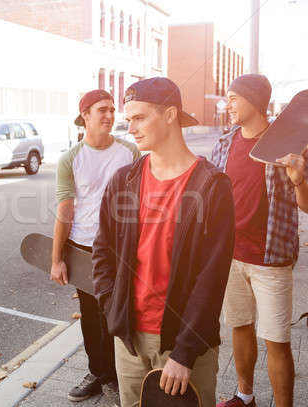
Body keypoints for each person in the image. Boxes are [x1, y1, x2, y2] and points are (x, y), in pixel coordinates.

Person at [92, 77, 236, 407]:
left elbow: (211, 279)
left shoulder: (212, 186)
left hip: (183, 343)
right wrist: (112, 307)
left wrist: (185, 352)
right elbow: (103, 250)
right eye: (129, 120)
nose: (131, 129)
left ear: (170, 115)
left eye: (140, 118)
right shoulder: (125, 179)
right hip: (128, 338)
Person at [212, 74, 308, 407]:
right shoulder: (225, 142)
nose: (226, 105)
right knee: (240, 327)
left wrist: (299, 182)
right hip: (230, 255)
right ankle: (245, 396)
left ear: (254, 101)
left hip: (271, 258)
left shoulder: (288, 143)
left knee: (277, 341)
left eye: (232, 98)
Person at [51, 89, 140, 403]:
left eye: (113, 109)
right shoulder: (71, 158)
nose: (110, 115)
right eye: (102, 109)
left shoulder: (130, 152)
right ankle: (98, 372)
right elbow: (65, 210)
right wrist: (57, 258)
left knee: (116, 313)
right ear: (84, 116)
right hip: (84, 247)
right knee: (90, 315)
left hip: (121, 250)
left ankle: (118, 376)